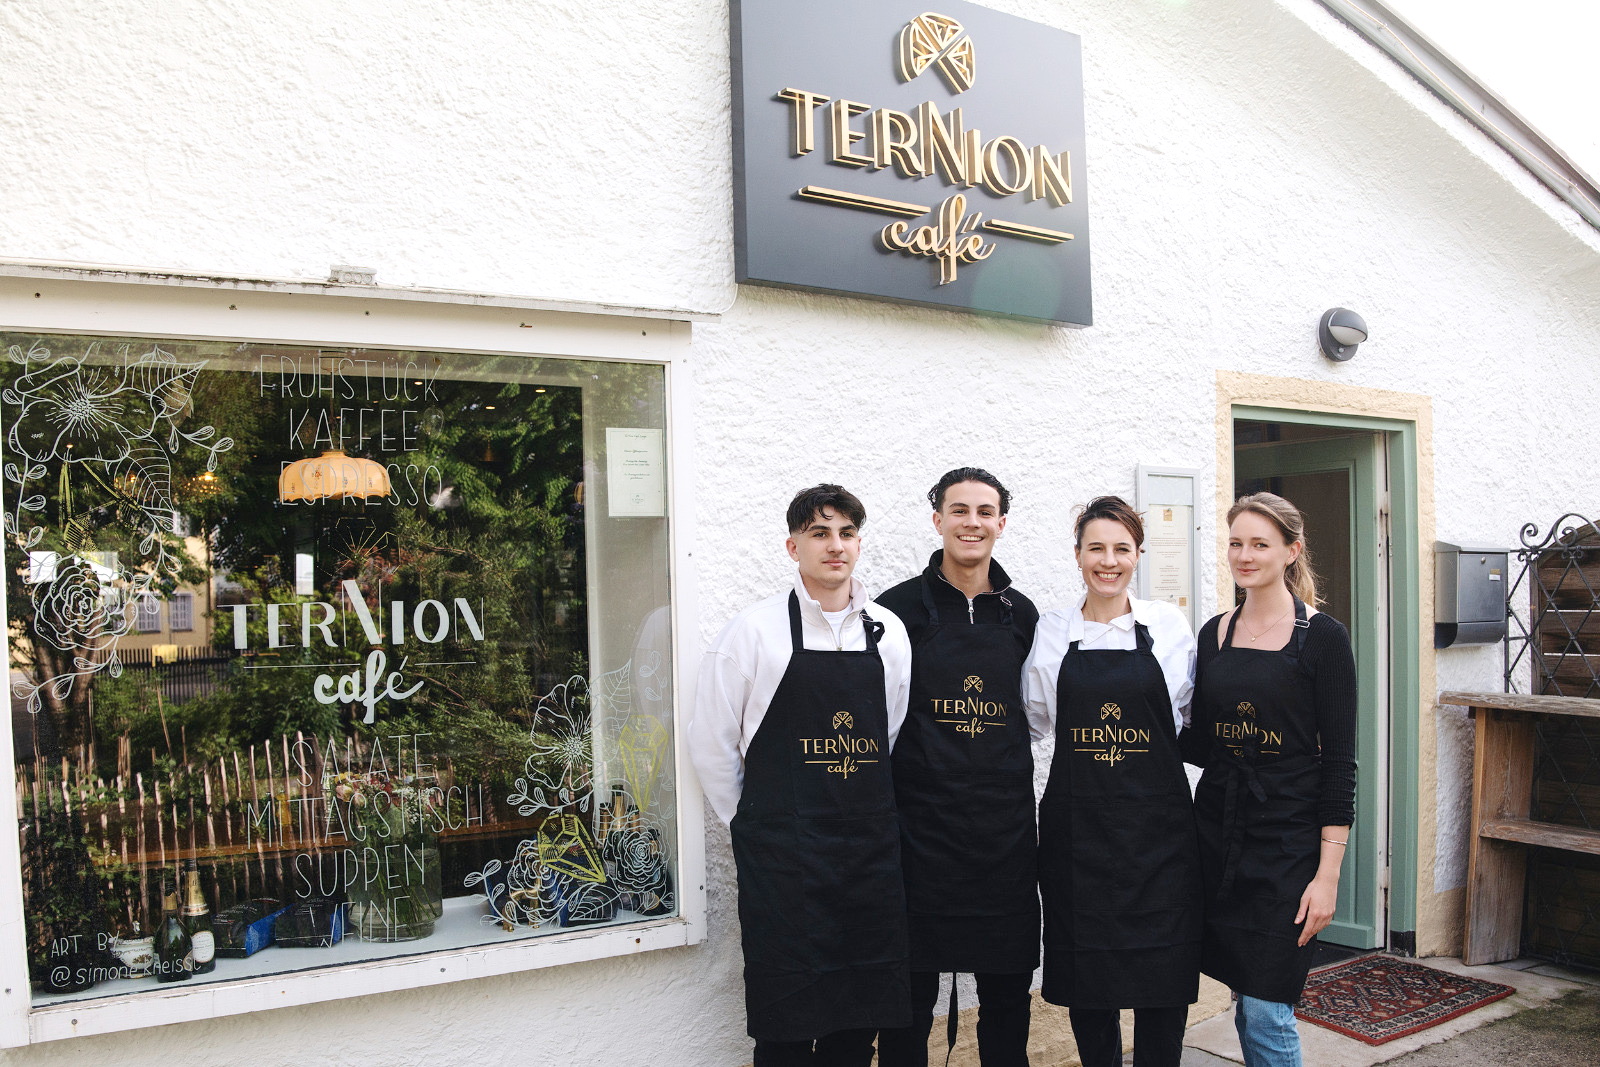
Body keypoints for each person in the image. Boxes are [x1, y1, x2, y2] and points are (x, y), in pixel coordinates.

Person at [690, 484, 914, 1066]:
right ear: (794, 547)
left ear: (858, 544)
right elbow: (712, 743)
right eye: (820, 533)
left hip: (867, 859)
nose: (835, 546)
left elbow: (887, 731)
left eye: (846, 533)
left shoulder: (888, 632)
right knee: (785, 1024)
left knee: (857, 1021)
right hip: (783, 863)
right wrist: (753, 824)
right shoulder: (753, 632)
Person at [1022, 496, 1201, 1067]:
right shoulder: (1052, 631)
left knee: (1164, 975)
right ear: (1077, 555)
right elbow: (1035, 720)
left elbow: (1189, 718)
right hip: (1080, 839)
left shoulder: (1168, 628)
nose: (1108, 561)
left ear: (1138, 555)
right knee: (1088, 975)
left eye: (1121, 548)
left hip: (1160, 838)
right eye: (1096, 548)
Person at [874, 468, 1041, 1067]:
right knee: (908, 1003)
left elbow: (1035, 713)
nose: (973, 523)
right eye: (959, 510)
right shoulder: (894, 611)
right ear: (938, 519)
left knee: (1007, 997)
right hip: (920, 835)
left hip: (1003, 836)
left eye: (985, 512)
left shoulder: (1022, 615)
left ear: (1002, 522)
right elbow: (880, 719)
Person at [1184, 492, 1356, 1067]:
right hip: (1217, 835)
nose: (1245, 555)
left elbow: (1339, 763)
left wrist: (1327, 876)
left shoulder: (1323, 638)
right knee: (1243, 990)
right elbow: (1201, 744)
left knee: (1266, 1005)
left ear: (1291, 551)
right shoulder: (1214, 634)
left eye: (1260, 544)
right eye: (1236, 543)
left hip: (1288, 844)